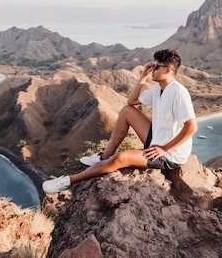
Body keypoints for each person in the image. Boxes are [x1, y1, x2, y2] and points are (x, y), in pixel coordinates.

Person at [42, 48, 197, 194]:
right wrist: (143, 77)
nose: (152, 69)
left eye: (156, 66)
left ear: (168, 70)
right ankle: (104, 157)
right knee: (126, 111)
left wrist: (165, 149)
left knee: (121, 158)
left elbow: (191, 127)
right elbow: (131, 101)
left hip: (169, 155)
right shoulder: (159, 89)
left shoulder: (178, 92)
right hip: (157, 139)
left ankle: (69, 181)